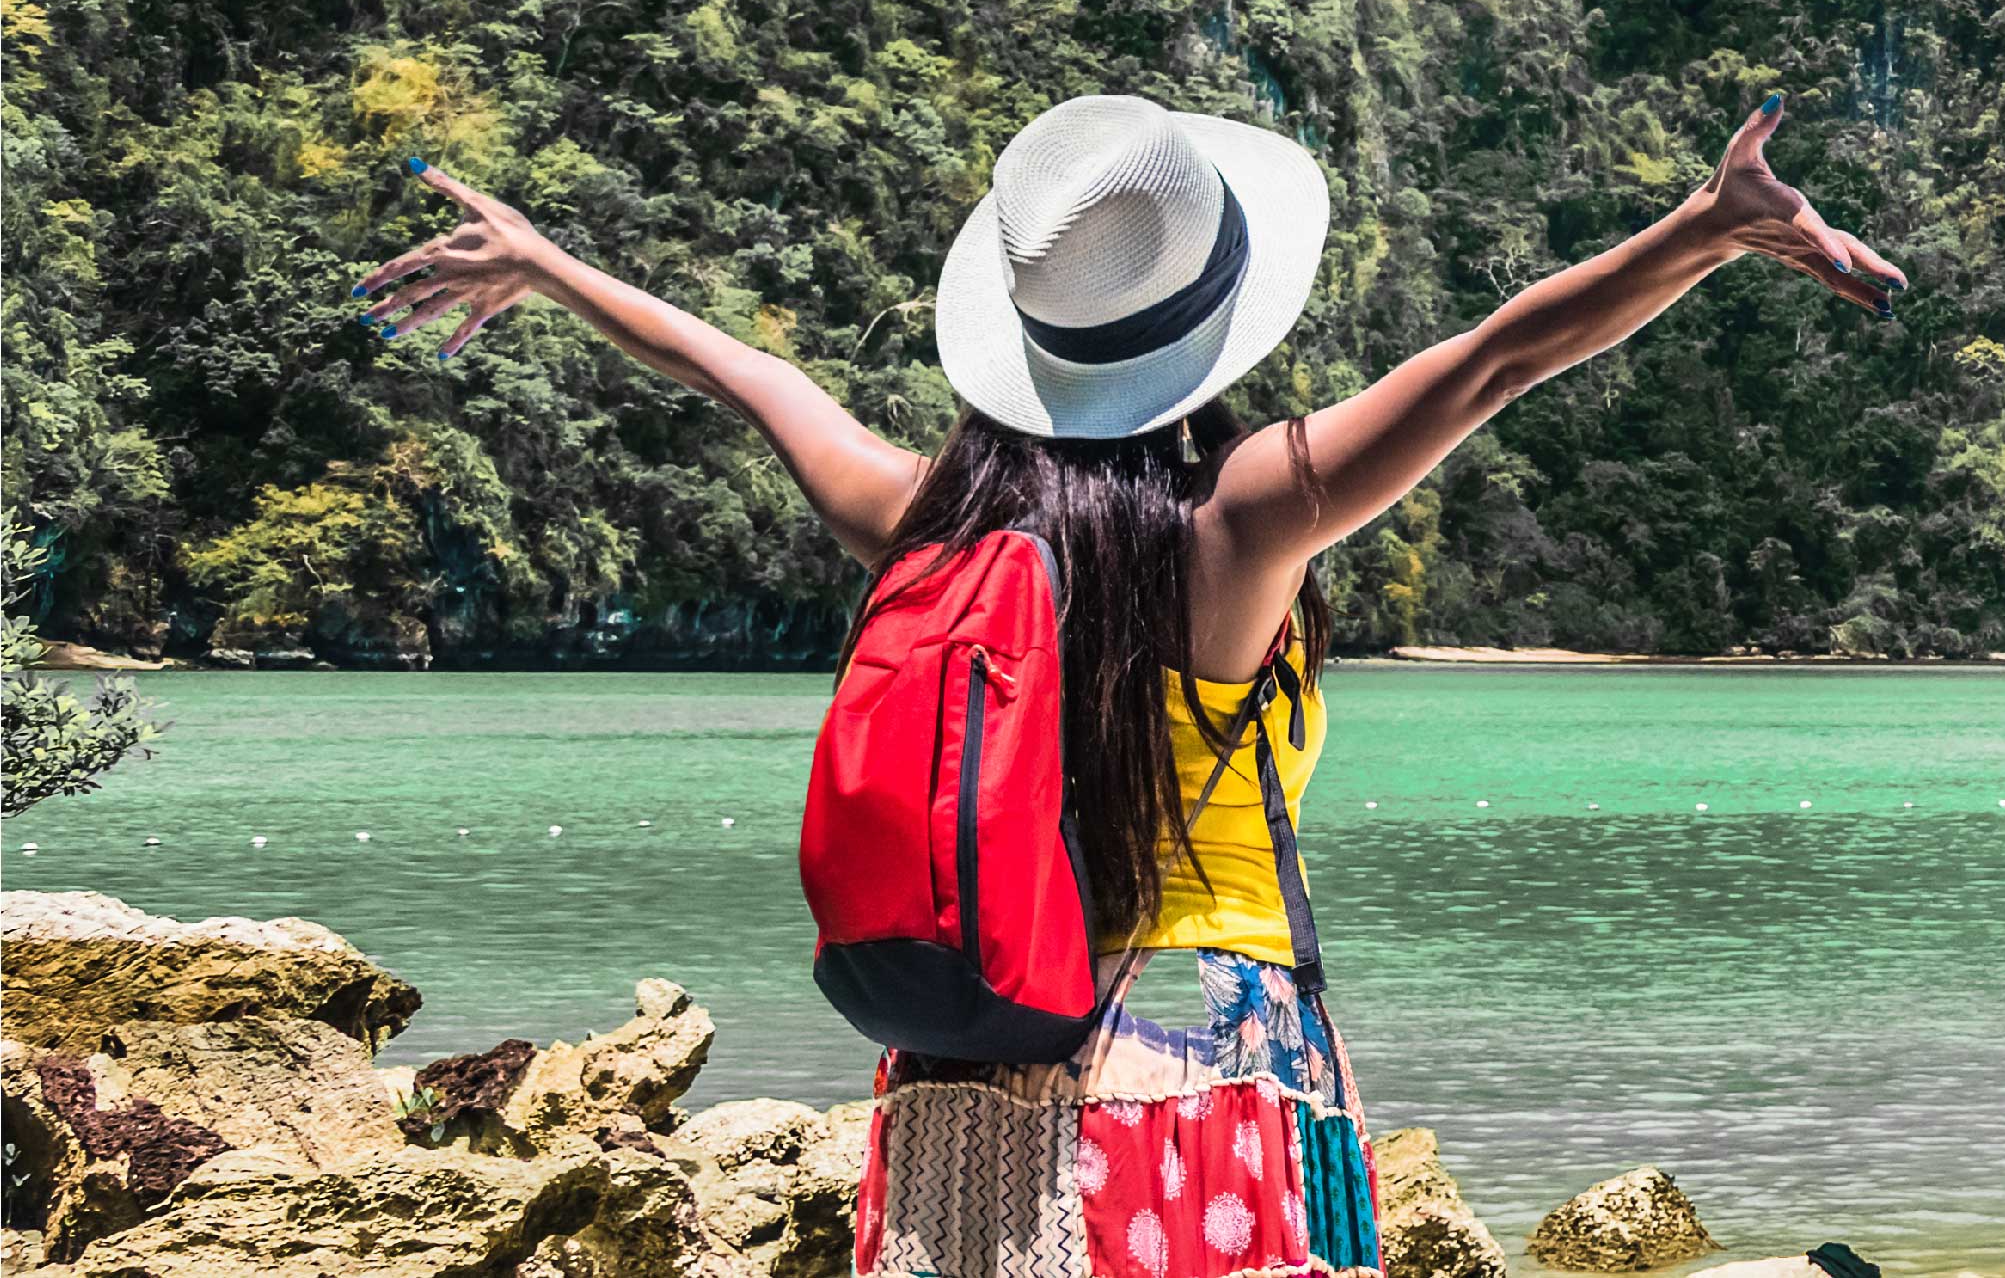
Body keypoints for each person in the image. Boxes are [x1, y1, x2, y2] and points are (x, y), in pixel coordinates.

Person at [364, 91, 1903, 1276]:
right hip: (1204, 1055)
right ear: (1211, 323)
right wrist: (1702, 229)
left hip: (973, 1055)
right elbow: (1495, 357)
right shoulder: (1240, 521)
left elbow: (756, 379)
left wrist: (548, 264)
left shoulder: (931, 521)